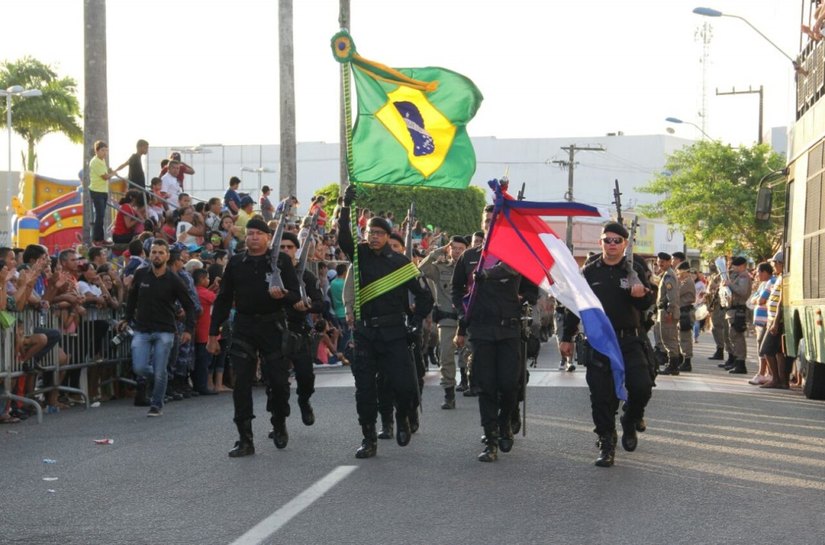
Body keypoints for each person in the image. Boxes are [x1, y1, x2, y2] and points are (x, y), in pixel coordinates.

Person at [337, 186, 433, 459]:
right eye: (369, 233)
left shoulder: (401, 263)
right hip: (366, 332)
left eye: (379, 233)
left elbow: (424, 297)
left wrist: (415, 322)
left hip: (394, 332)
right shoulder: (360, 255)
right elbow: (343, 236)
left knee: (403, 385)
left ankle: (403, 418)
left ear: (389, 236)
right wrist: (345, 206)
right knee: (365, 390)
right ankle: (369, 438)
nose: (373, 237)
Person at [560, 222, 656, 468]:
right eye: (607, 240)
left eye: (617, 240)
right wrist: (566, 336)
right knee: (602, 396)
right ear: (600, 242)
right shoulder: (589, 272)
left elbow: (648, 303)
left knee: (642, 386)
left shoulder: (635, 267)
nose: (612, 244)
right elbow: (576, 305)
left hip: (630, 339)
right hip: (600, 342)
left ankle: (631, 418)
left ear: (625, 244)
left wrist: (641, 294)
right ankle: (606, 442)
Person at [207, 218, 301, 457]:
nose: (254, 237)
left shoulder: (280, 261)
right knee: (242, 383)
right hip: (244, 327)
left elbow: (295, 296)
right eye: (250, 233)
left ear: (268, 237)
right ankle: (245, 438)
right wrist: (212, 333)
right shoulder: (237, 262)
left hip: (273, 326)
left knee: (279, 382)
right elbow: (224, 299)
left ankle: (279, 422)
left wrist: (283, 295)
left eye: (259, 233)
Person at [451, 205, 538, 463]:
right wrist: (462, 311)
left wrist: (523, 299)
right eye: (487, 220)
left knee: (510, 384)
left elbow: (532, 288)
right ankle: (490, 438)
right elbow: (457, 290)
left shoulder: (516, 255)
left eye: (495, 220)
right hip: (481, 329)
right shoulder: (469, 257)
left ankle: (505, 422)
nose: (490, 224)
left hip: (510, 328)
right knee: (486, 385)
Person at [119, 239, 196, 417]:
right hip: (142, 329)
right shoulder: (140, 275)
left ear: (167, 256)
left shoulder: (174, 280)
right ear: (148, 254)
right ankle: (160, 376)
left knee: (160, 369)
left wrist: (188, 330)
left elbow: (190, 306)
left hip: (165, 330)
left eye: (161, 252)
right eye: (154, 252)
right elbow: (132, 299)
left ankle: (156, 404)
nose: (157, 255)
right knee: (139, 368)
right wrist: (126, 318)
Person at [277, 231, 324, 428]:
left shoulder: (306, 275)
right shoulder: (272, 273)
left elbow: (322, 304)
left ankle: (304, 401)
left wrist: (308, 305)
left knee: (305, 376)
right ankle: (278, 419)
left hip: (299, 330)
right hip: (276, 330)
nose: (286, 250)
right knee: (277, 381)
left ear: (296, 250)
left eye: (290, 247)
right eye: (282, 247)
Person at [418, 234, 469, 410]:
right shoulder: (440, 267)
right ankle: (449, 392)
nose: (456, 251)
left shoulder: (472, 268)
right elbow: (421, 269)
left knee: (471, 354)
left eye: (460, 249)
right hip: (447, 318)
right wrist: (437, 251)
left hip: (468, 319)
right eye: (453, 248)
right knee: (446, 356)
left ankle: (470, 379)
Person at [724, 256, 752, 375]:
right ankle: (737, 361)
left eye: (735, 266)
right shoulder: (738, 276)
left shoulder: (744, 276)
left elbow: (742, 291)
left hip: (739, 310)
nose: (733, 268)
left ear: (741, 266)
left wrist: (730, 284)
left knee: (737, 336)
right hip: (734, 310)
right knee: (733, 336)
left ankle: (741, 363)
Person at [655, 252, 681, 375]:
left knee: (669, 339)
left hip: (667, 312)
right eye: (659, 261)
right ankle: (672, 364)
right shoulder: (665, 274)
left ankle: (673, 365)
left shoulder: (669, 276)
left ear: (669, 262)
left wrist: (670, 311)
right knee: (667, 338)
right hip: (664, 311)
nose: (660, 264)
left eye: (663, 262)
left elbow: (672, 297)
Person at [88, 140, 116, 247]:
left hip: (103, 191)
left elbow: (105, 173)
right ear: (97, 151)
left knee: (101, 216)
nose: (105, 153)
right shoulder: (95, 161)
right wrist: (113, 173)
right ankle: (97, 239)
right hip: (97, 191)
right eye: (103, 150)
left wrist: (110, 171)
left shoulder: (102, 160)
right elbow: (104, 177)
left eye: (106, 150)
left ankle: (101, 238)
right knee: (99, 216)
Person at [675, 261, 697, 372]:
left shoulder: (687, 282)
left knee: (685, 337)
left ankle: (687, 361)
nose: (678, 275)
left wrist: (676, 281)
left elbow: (676, 293)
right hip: (682, 312)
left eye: (679, 273)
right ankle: (684, 359)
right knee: (681, 337)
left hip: (685, 313)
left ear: (684, 272)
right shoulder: (685, 281)